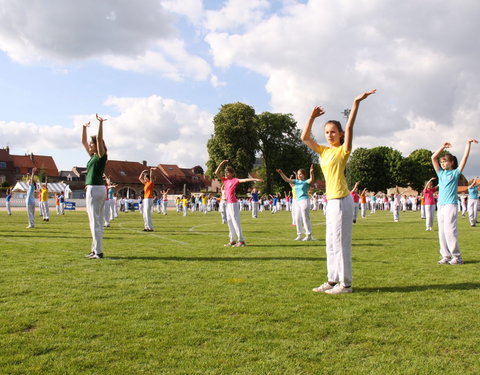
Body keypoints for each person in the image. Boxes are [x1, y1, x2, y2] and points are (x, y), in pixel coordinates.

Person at [303, 89, 376, 294]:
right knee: (330, 243)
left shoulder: (342, 150)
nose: (329, 135)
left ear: (340, 134)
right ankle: (332, 280)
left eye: (333, 131)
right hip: (331, 201)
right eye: (327, 132)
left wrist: (356, 103)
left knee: (341, 243)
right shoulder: (323, 151)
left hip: (342, 201)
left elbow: (351, 125)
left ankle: (346, 284)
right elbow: (304, 137)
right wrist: (312, 117)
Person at [432, 139, 478, 265]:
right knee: (441, 231)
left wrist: (468, 144)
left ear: (452, 162)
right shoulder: (440, 173)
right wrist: (442, 146)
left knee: (450, 230)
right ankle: (446, 256)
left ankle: (457, 257)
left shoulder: (455, 173)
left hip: (451, 205)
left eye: (445, 161)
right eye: (441, 162)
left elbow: (465, 158)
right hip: (440, 205)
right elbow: (433, 157)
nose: (442, 163)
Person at [215, 160, 263, 247]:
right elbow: (216, 172)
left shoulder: (234, 180)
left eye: (228, 172)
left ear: (232, 174)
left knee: (235, 221)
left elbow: (244, 180)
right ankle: (232, 240)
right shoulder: (225, 180)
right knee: (229, 221)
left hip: (233, 203)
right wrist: (222, 163)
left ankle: (241, 241)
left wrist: (255, 179)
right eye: (225, 172)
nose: (226, 174)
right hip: (227, 203)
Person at [82, 114, 108, 259]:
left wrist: (100, 124)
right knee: (95, 220)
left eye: (92, 144)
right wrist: (84, 128)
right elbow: (83, 142)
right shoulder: (93, 157)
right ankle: (95, 249)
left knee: (95, 221)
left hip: (95, 189)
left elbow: (98, 139)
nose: (90, 145)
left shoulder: (100, 156)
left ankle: (98, 251)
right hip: (96, 188)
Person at [277, 166, 315, 241]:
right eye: (298, 174)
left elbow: (312, 179)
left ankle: (308, 235)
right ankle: (299, 235)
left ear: (304, 175)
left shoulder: (306, 181)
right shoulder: (296, 182)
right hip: (297, 201)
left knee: (305, 218)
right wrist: (281, 173)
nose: (299, 175)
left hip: (304, 200)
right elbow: (286, 180)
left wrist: (311, 173)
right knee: (297, 218)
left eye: (300, 174)